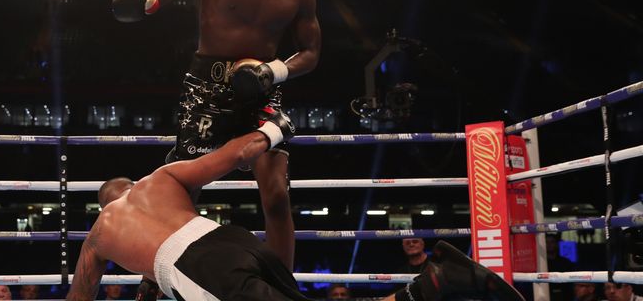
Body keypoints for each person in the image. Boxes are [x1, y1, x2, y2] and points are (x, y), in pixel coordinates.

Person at [66, 119, 524, 301]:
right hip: (231, 240)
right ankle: (421, 290)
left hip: (196, 267)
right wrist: (273, 128)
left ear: (105, 203)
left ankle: (433, 286)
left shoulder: (100, 233)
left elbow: (80, 296)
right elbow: (234, 153)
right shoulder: (161, 180)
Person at [111, 0, 321, 277]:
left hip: (261, 90)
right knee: (181, 193)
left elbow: (311, 53)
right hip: (206, 88)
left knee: (276, 196)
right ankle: (154, 282)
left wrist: (273, 72)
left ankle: (282, 287)